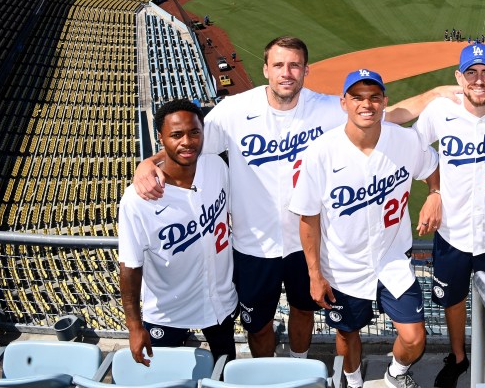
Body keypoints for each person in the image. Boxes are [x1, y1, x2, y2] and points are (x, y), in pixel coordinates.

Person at [133, 36, 454, 358]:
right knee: (257, 324)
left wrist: (435, 94)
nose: (286, 73)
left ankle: (299, 365)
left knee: (304, 312)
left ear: (305, 70)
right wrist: (148, 163)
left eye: (294, 65)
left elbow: (386, 114)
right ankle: (265, 373)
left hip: (304, 243)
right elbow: (190, 145)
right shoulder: (233, 111)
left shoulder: (325, 108)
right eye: (279, 65)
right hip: (252, 244)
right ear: (266, 70)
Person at [291, 69, 441, 388]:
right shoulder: (321, 152)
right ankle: (354, 381)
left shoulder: (405, 140)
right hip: (342, 265)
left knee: (414, 337)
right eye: (357, 97)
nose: (366, 104)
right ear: (344, 103)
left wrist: (435, 194)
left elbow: (432, 167)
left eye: (374, 97)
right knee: (347, 333)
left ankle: (394, 376)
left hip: (392, 259)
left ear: (384, 102)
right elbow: (307, 218)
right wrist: (315, 275)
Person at [414, 43, 485, 387]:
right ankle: (458, 356)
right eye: (471, 73)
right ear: (459, 78)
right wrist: (434, 191)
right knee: (453, 299)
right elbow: (416, 151)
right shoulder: (439, 112)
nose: (479, 80)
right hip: (452, 230)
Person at [118, 99, 236, 365]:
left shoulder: (216, 167)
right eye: (176, 134)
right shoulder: (137, 199)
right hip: (168, 311)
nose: (187, 141)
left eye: (194, 132)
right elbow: (130, 266)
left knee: (226, 370)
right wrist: (134, 326)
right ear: (160, 137)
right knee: (163, 376)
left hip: (219, 301)